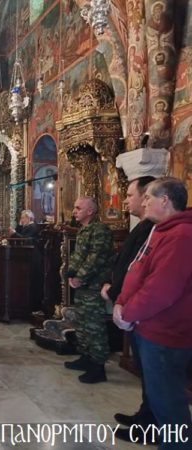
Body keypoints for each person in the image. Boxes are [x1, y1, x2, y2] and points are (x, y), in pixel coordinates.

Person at [114, 178, 192, 449]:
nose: (143, 202)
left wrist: (127, 312)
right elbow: (137, 269)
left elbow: (161, 290)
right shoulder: (160, 230)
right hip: (147, 327)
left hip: (165, 333)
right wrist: (121, 302)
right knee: (158, 399)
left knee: (169, 406)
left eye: (148, 197)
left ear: (165, 200)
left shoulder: (181, 236)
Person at [100, 177, 157, 441]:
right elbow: (126, 263)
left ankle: (151, 425)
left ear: (147, 198)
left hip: (145, 312)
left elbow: (140, 270)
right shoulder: (145, 227)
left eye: (130, 195)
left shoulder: (154, 230)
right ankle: (145, 416)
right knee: (147, 373)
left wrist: (116, 292)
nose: (126, 200)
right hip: (132, 305)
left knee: (156, 377)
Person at [64, 197, 113, 383]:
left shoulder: (100, 230)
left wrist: (80, 277)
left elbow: (95, 258)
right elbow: (78, 256)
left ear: (90, 211)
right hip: (83, 286)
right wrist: (71, 273)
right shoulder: (84, 230)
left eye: (78, 208)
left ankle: (98, 366)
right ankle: (86, 357)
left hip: (94, 286)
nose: (74, 211)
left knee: (94, 326)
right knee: (82, 323)